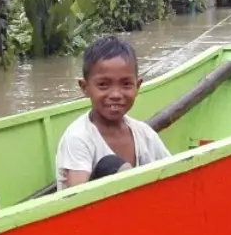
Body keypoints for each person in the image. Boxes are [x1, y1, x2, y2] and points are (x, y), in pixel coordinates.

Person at [54, 35, 171, 191]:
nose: (116, 94)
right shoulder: (78, 137)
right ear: (84, 87)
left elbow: (172, 174)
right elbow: (77, 198)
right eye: (103, 85)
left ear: (138, 86)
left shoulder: (144, 134)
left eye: (126, 84)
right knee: (111, 165)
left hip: (135, 210)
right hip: (91, 212)